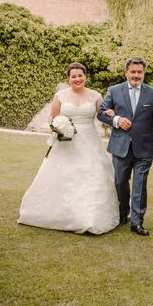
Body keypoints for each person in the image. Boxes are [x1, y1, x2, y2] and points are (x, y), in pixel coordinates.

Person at [19, 63, 121, 234]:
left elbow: (102, 115)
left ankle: (90, 217)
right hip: (66, 144)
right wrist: (59, 128)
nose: (77, 79)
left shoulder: (95, 96)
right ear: (69, 78)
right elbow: (53, 119)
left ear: (85, 76)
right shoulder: (60, 96)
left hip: (90, 143)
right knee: (64, 177)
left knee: (91, 176)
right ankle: (60, 215)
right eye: (73, 76)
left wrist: (110, 113)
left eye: (80, 75)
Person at [97, 57, 153, 236]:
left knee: (140, 184)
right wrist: (117, 120)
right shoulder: (114, 91)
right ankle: (122, 213)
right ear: (126, 73)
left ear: (144, 73)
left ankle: (137, 222)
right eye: (133, 72)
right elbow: (100, 113)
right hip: (120, 146)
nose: (136, 75)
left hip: (144, 148)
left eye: (139, 72)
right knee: (120, 182)